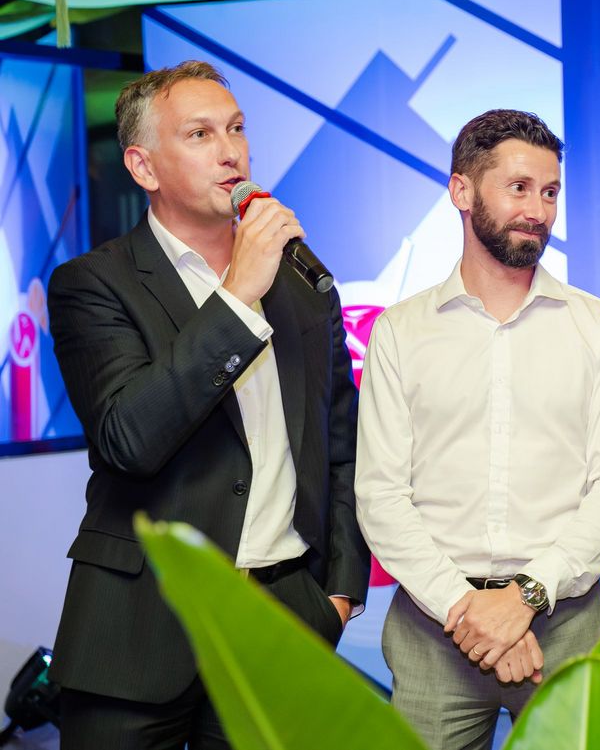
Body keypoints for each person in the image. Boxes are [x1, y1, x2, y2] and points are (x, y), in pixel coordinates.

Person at [46, 60, 370, 749]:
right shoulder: (93, 283)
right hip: (136, 627)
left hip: (282, 614)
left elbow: (342, 446)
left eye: (237, 129)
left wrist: (338, 596)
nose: (231, 152)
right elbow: (129, 438)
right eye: (199, 134)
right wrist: (236, 297)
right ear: (143, 167)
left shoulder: (302, 284)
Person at [355, 109, 600, 749]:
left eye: (550, 192)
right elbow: (381, 496)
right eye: (518, 188)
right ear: (461, 191)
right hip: (433, 628)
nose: (538, 211)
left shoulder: (597, 326)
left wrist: (525, 599)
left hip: (568, 623)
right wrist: (469, 611)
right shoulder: (401, 332)